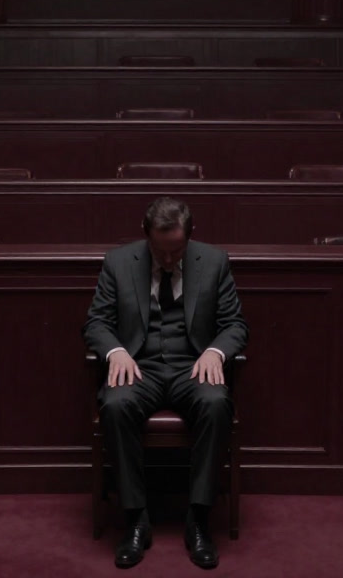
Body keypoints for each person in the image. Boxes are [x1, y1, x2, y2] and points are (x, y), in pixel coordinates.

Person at [83, 197, 248, 569]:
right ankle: (136, 518)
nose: (170, 260)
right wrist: (116, 352)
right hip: (139, 368)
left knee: (216, 403)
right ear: (146, 236)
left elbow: (235, 325)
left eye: (178, 250)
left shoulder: (215, 261)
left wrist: (215, 352)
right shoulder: (119, 262)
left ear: (191, 237)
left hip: (193, 367)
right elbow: (95, 323)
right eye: (162, 251)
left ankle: (199, 519)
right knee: (114, 404)